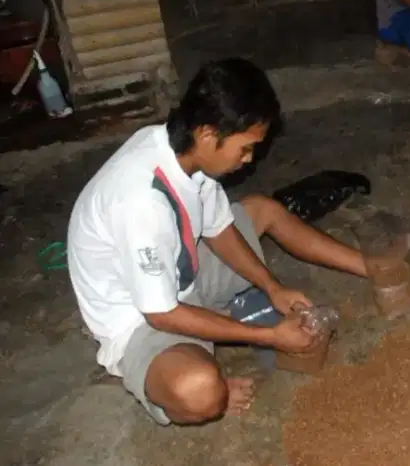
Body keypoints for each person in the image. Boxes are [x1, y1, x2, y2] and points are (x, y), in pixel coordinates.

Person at [67, 58, 369, 426]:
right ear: (208, 135)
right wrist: (269, 335)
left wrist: (271, 288)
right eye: (245, 148)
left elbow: (219, 229)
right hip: (140, 319)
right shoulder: (140, 201)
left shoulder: (182, 154)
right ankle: (186, 374)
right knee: (200, 390)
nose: (249, 159)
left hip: (183, 269)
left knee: (261, 210)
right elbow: (162, 313)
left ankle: (373, 266)